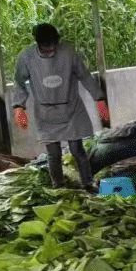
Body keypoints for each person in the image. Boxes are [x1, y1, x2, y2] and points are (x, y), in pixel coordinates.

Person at [11, 22, 109, 189]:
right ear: (38, 43)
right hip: (45, 111)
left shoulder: (68, 52)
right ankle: (58, 185)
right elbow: (19, 82)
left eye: (52, 46)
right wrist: (18, 107)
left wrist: (99, 98)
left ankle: (88, 182)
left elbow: (84, 76)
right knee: (53, 153)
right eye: (46, 47)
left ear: (57, 41)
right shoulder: (27, 57)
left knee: (77, 149)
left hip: (71, 108)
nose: (50, 51)